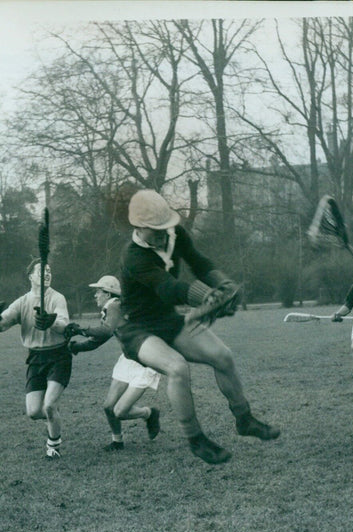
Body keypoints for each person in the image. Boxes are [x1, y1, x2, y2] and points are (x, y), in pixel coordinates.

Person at [116, 189, 279, 465]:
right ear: (137, 227)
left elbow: (199, 262)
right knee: (177, 368)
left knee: (223, 356)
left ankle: (245, 419)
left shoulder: (174, 234)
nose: (162, 233)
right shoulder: (133, 257)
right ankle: (196, 439)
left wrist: (222, 284)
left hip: (168, 320)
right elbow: (167, 288)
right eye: (154, 229)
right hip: (138, 329)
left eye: (164, 226)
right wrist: (206, 296)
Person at [0, 259, 71, 459]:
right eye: (42, 271)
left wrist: (50, 322)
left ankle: (53, 445)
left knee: (49, 405)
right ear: (31, 277)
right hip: (35, 357)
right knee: (34, 411)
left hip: (59, 355)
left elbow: (64, 324)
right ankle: (53, 416)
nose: (47, 274)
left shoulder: (58, 298)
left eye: (49, 271)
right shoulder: (22, 302)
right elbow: (0, 327)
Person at [66, 275, 161, 451]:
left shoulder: (115, 306)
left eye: (98, 292)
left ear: (108, 294)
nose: (95, 295)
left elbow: (104, 331)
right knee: (109, 406)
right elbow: (99, 339)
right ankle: (117, 442)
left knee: (120, 411)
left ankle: (149, 413)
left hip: (146, 361)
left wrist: (80, 330)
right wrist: (77, 347)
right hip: (129, 359)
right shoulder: (111, 309)